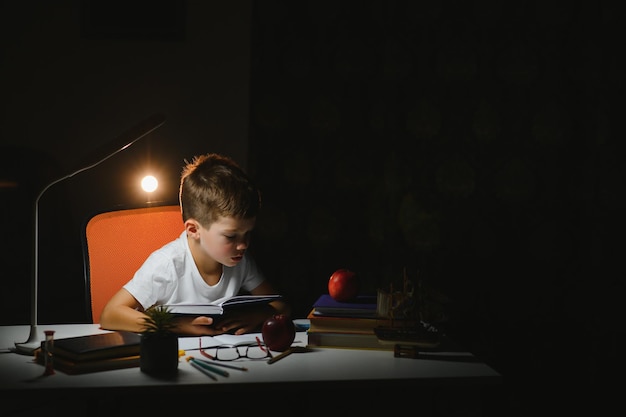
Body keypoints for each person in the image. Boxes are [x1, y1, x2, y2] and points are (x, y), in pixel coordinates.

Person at [100, 153, 290, 336]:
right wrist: (174, 325)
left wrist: (257, 315)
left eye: (248, 234)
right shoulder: (167, 264)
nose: (243, 245)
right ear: (193, 230)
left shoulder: (241, 261)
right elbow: (110, 314)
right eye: (231, 236)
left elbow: (281, 306)